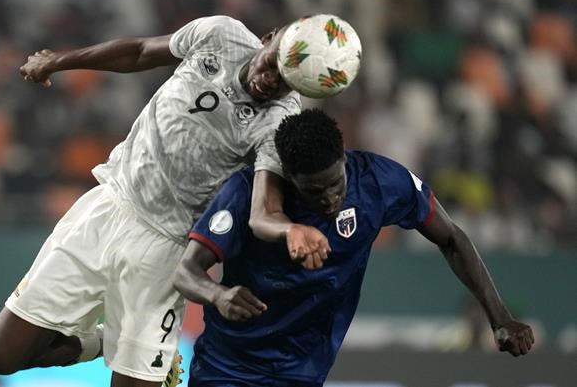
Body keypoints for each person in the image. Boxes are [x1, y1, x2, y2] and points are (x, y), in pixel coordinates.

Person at [0, 15, 335, 387]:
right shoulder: (220, 34)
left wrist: (289, 230)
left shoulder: (280, 121)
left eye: (287, 80)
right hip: (109, 206)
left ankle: (131, 349)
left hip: (166, 250)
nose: (272, 79)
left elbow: (265, 209)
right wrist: (58, 60)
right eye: (274, 63)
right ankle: (102, 342)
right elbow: (139, 52)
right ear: (268, 38)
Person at [174, 109, 535, 387]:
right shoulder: (245, 194)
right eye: (314, 191)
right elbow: (186, 271)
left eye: (336, 183)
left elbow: (451, 237)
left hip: (305, 372)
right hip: (229, 367)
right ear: (288, 177)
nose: (330, 198)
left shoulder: (380, 182)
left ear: (345, 159)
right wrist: (218, 295)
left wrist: (499, 317)